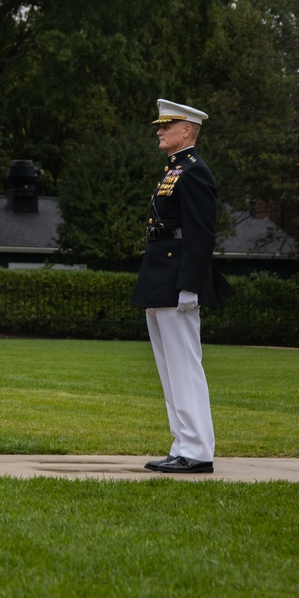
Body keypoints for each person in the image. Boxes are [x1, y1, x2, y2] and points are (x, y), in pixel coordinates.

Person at [133, 99, 234, 474]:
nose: (159, 131)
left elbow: (201, 233)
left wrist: (189, 286)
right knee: (168, 367)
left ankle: (198, 449)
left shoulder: (194, 171)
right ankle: (182, 443)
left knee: (184, 365)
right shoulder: (173, 170)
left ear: (187, 130)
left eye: (167, 125)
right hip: (161, 274)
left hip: (177, 279)